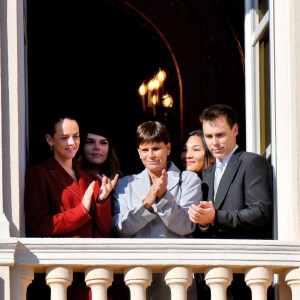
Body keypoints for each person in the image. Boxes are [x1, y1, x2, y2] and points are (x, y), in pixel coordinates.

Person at [25, 113, 118, 300]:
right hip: (60, 269)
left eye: (75, 136)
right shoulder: (39, 173)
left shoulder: (89, 177)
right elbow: (39, 225)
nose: (71, 142)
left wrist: (101, 202)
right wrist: (82, 211)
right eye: (64, 137)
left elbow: (104, 231)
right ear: (50, 140)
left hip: (90, 270)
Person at [188, 104, 273, 300]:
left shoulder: (251, 162)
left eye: (220, 135)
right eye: (209, 137)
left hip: (245, 273)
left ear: (235, 130)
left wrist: (216, 217)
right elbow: (207, 226)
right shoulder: (206, 174)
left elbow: (260, 213)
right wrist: (202, 222)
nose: (214, 142)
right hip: (214, 275)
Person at [112, 121, 202, 300]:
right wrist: (146, 203)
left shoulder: (189, 180)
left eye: (156, 148)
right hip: (137, 277)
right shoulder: (124, 185)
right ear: (138, 152)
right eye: (145, 150)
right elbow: (120, 229)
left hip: (175, 277)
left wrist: (163, 198)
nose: (151, 155)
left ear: (168, 148)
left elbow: (187, 225)